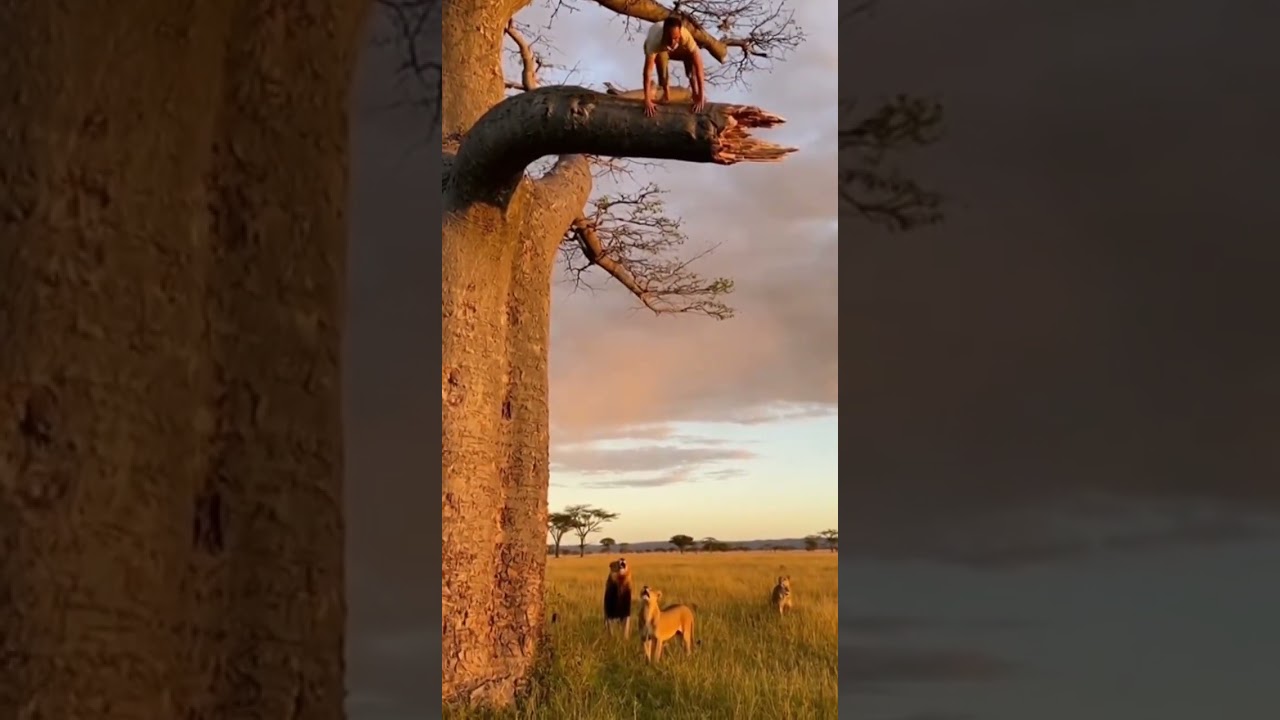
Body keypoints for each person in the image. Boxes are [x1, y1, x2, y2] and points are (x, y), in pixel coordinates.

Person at [642, 16, 707, 117]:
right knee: (661, 59)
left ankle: (695, 93)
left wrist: (701, 95)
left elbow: (699, 67)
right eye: (670, 38)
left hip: (679, 50)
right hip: (661, 48)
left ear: (680, 33)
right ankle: (666, 93)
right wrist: (647, 100)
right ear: (664, 34)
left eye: (676, 38)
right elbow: (648, 72)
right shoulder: (655, 41)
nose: (673, 42)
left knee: (691, 57)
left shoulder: (686, 37)